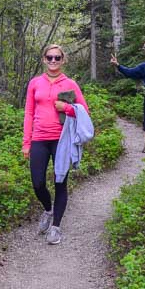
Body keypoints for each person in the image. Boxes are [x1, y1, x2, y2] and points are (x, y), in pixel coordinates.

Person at [23, 44, 90, 245]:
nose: (53, 61)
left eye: (57, 58)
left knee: (60, 182)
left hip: (62, 140)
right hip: (39, 139)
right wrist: (27, 142)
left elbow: (84, 111)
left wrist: (68, 108)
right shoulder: (35, 83)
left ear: (63, 60)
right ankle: (47, 210)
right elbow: (28, 113)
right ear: (44, 59)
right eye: (50, 57)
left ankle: (56, 227)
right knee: (38, 183)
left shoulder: (70, 84)